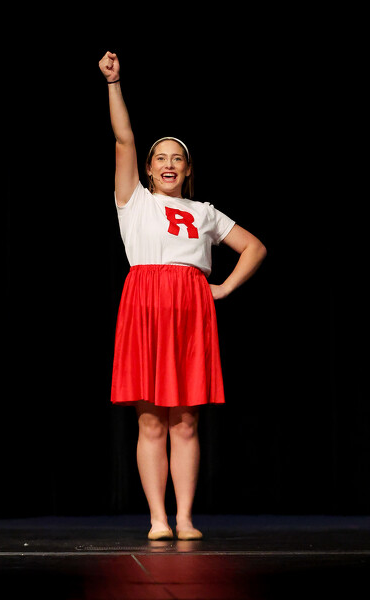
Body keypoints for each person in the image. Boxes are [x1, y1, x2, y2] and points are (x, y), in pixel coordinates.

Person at [99, 51, 267, 541]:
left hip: (191, 308)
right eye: (161, 159)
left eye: (177, 159)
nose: (169, 164)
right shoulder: (135, 202)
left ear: (188, 169)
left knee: (186, 421)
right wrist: (114, 83)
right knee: (151, 420)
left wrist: (224, 287)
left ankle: (186, 518)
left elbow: (254, 248)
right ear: (149, 170)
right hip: (145, 304)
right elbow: (124, 138)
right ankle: (158, 518)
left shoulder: (204, 211)